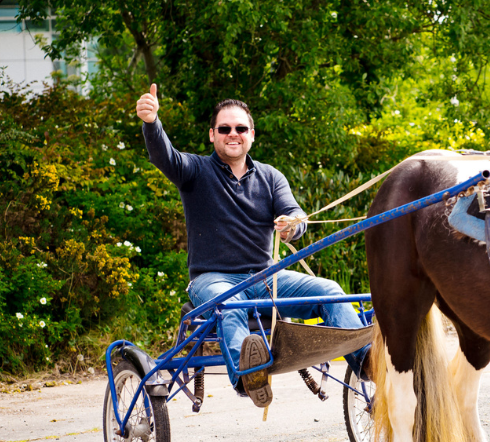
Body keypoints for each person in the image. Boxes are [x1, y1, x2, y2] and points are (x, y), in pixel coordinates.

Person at [135, 84, 369, 407]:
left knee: (330, 289)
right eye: (225, 129)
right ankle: (250, 376)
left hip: (266, 280)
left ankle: (368, 361)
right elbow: (164, 155)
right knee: (230, 305)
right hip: (212, 280)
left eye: (240, 128)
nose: (233, 134)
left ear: (252, 134)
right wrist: (151, 122)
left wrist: (292, 226)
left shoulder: (271, 177)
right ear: (212, 135)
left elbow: (296, 216)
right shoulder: (194, 171)